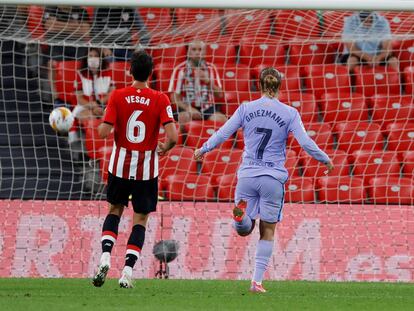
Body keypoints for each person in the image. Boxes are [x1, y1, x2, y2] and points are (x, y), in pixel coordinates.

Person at [194, 67, 334, 293]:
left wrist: (204, 148)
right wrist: (324, 159)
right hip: (272, 177)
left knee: (244, 229)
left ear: (259, 85)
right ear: (280, 85)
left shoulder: (246, 108)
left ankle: (240, 218)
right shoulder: (290, 113)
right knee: (267, 230)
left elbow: (223, 132)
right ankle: (256, 282)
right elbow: (305, 142)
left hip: (247, 174)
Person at [92, 50, 177, 288]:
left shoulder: (118, 96)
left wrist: (109, 120)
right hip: (146, 170)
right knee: (140, 220)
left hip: (119, 166)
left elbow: (103, 132)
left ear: (130, 70)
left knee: (114, 210)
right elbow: (173, 136)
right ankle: (127, 272)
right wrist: (164, 147)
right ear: (151, 73)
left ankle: (105, 256)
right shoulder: (160, 98)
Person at [168, 40, 227, 125]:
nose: (197, 52)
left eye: (200, 50)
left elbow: (220, 95)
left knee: (222, 119)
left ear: (205, 52)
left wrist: (208, 81)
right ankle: (184, 138)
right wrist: (188, 108)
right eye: (194, 49)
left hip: (207, 108)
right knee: (184, 117)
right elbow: (174, 98)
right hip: (186, 107)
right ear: (188, 52)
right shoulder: (180, 69)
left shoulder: (211, 68)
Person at [72, 47, 115, 120]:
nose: (93, 58)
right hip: (84, 107)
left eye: (96, 56)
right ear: (86, 58)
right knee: (90, 116)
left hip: (104, 106)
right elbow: (79, 98)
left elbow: (112, 93)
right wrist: (93, 107)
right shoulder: (80, 74)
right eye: (90, 56)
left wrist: (98, 103)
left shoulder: (108, 72)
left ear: (101, 58)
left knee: (107, 116)